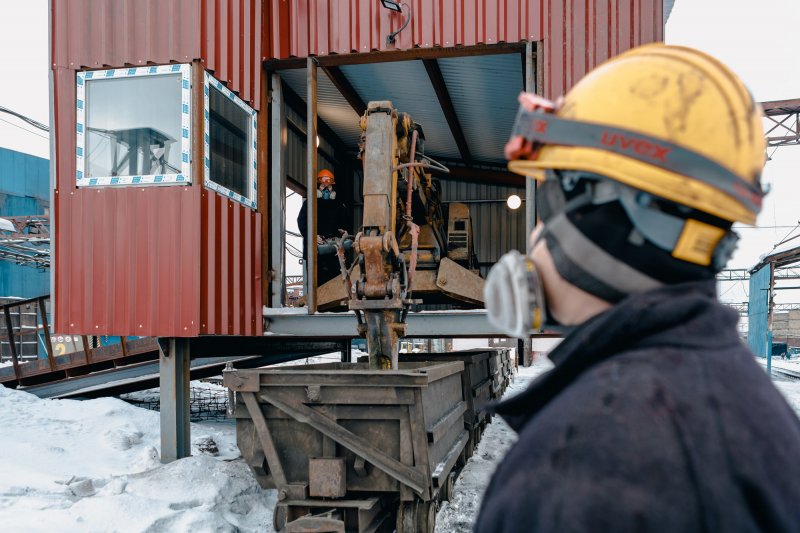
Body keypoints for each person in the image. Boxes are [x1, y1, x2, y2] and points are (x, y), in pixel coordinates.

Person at [477, 44, 800, 532]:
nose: (537, 239)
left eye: (546, 205)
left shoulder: (571, 468)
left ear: (599, 215)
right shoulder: (760, 410)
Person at [297, 169, 350, 285]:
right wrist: (311, 236)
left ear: (333, 188)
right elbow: (301, 221)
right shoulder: (309, 204)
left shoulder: (339, 205)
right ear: (317, 188)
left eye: (329, 187)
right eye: (323, 186)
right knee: (316, 283)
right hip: (315, 251)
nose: (326, 190)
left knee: (337, 283)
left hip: (334, 250)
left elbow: (345, 223)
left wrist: (344, 231)